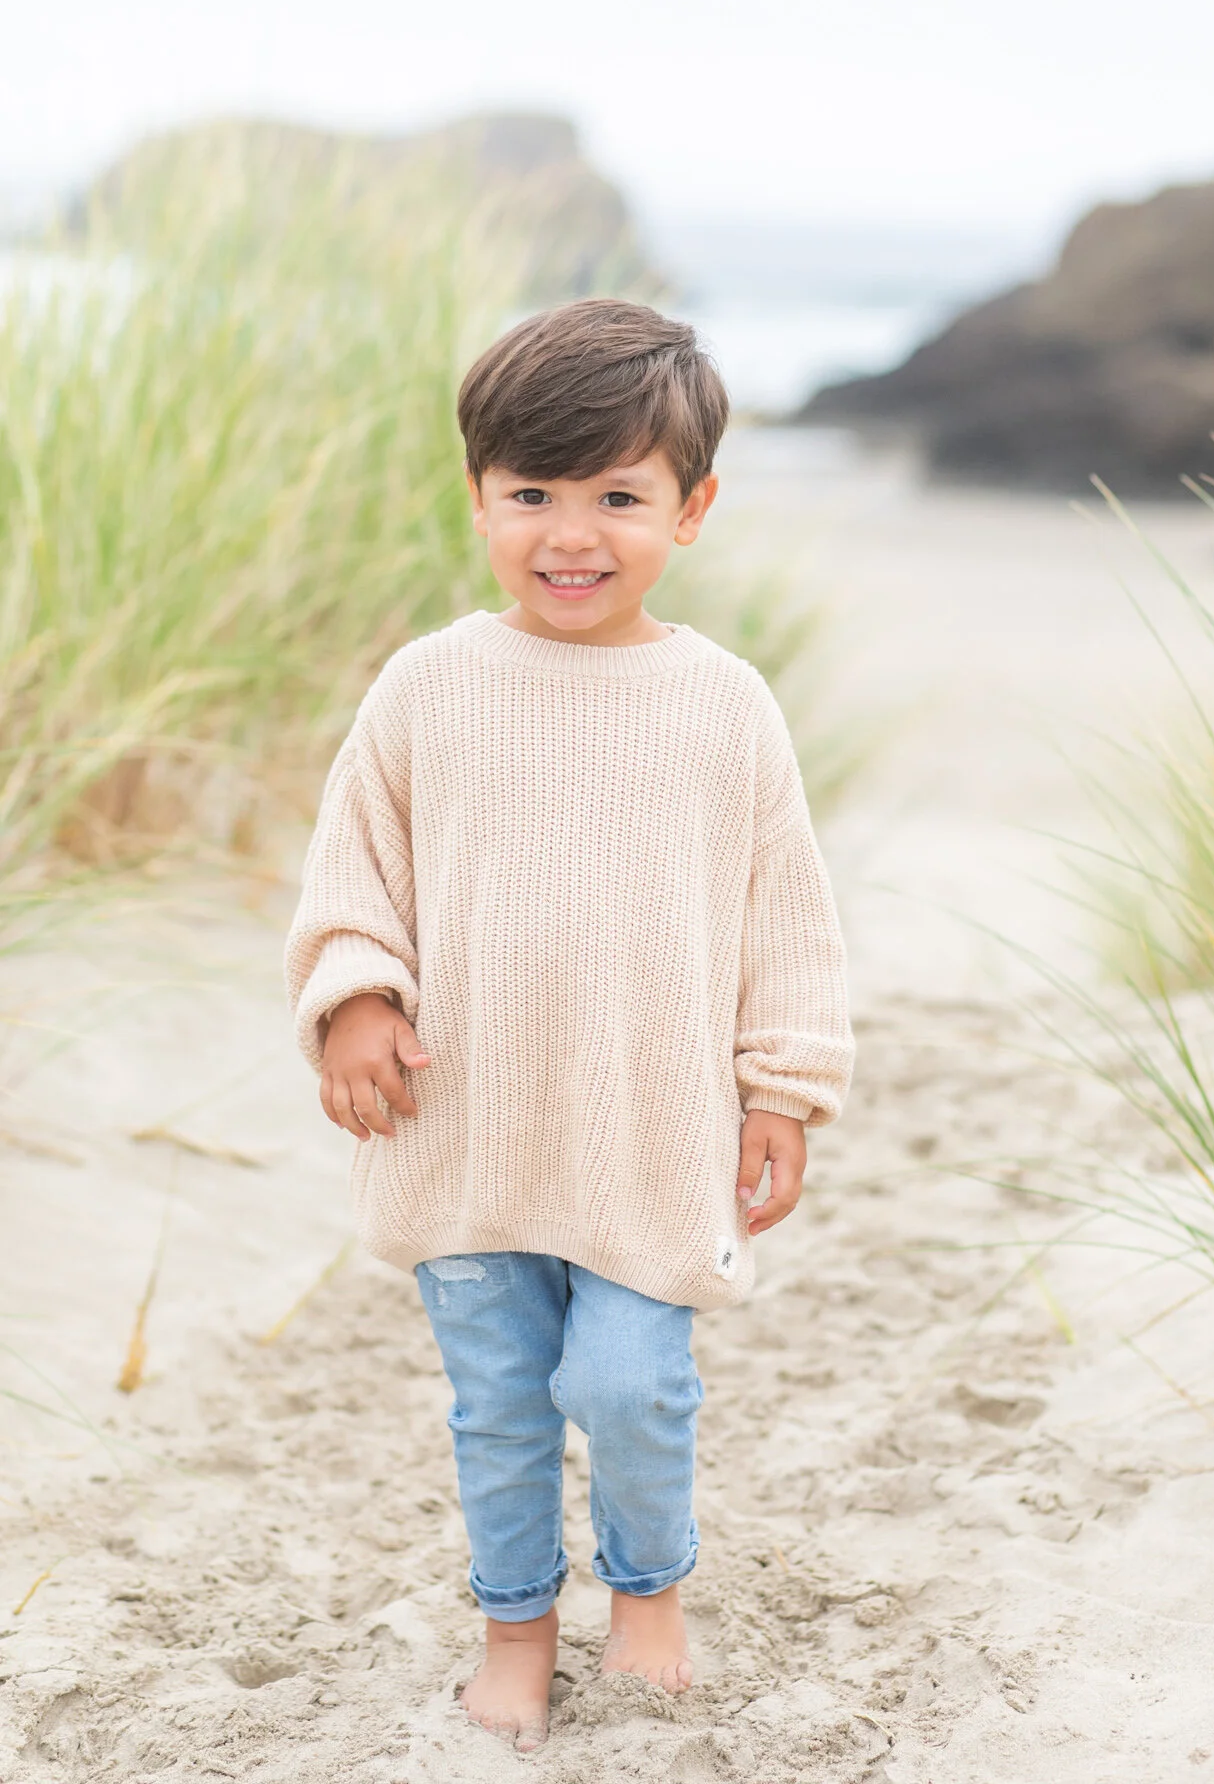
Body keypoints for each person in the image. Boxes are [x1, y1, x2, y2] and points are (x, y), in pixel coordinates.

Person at [284, 298, 854, 1752]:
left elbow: (784, 910)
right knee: (499, 1404)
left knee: (627, 1381)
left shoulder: (723, 706)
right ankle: (518, 1628)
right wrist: (354, 994)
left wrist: (780, 1091)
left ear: (693, 507)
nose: (571, 532)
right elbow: (356, 864)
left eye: (618, 496)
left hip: (650, 1133)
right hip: (462, 1128)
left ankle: (648, 1591)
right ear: (478, 497)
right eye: (531, 494)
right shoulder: (428, 686)